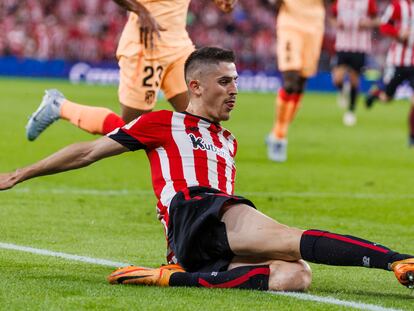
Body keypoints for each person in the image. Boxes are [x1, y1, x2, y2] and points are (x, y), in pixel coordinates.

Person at [1, 47, 413, 291]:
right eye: (224, 82)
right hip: (196, 208)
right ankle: (396, 260)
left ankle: (174, 276)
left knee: (295, 276)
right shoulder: (162, 122)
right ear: (195, 87)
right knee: (289, 239)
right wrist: (21, 173)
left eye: (235, 81)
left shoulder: (227, 141)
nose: (234, 91)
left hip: (198, 241)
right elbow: (88, 152)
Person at [25, 0, 237, 141]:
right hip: (145, 48)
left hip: (179, 46)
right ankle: (59, 107)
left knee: (199, 120)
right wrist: (140, 10)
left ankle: (196, 194)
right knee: (133, 129)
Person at [266, 0, 325, 162]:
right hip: (290, 24)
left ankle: (277, 132)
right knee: (290, 82)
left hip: (314, 26)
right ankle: (279, 137)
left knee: (300, 84)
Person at [365, 0, 414, 146]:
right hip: (398, 62)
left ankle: (412, 136)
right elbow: (384, 25)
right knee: (387, 98)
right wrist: (398, 32)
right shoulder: (398, 6)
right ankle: (376, 94)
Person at [330, 0, 378, 127]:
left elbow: (377, 19)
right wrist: (336, 23)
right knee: (337, 79)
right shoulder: (339, 2)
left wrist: (367, 23)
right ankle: (342, 90)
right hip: (342, 45)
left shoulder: (368, 2)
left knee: (354, 79)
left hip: (360, 47)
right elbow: (331, 17)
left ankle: (351, 111)